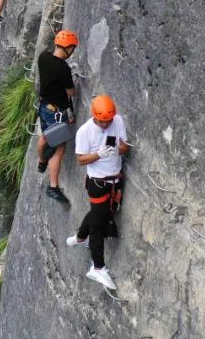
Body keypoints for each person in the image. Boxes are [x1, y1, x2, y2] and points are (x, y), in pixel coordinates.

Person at [66, 95, 130, 290]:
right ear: (95, 116)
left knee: (97, 213)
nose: (105, 124)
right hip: (97, 183)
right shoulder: (85, 132)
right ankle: (98, 267)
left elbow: (125, 147)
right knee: (98, 224)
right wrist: (98, 154)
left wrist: (117, 150)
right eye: (102, 121)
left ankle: (79, 238)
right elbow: (80, 160)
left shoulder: (116, 121)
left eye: (108, 120)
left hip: (114, 180)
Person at [36, 29, 79, 204]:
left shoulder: (43, 57)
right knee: (59, 148)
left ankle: (41, 161)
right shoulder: (63, 68)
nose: (73, 51)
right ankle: (53, 187)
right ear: (68, 48)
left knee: (45, 136)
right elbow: (71, 92)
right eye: (73, 48)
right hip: (56, 113)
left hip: (44, 107)